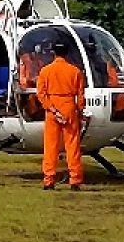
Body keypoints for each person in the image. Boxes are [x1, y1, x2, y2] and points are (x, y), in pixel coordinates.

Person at [35, 41, 86, 190]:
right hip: (69, 106)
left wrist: (50, 108)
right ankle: (75, 179)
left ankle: (49, 179)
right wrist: (80, 111)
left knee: (51, 146)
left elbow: (41, 94)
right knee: (73, 145)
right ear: (67, 53)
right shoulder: (75, 71)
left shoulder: (45, 71)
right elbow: (81, 95)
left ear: (54, 53)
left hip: (52, 108)